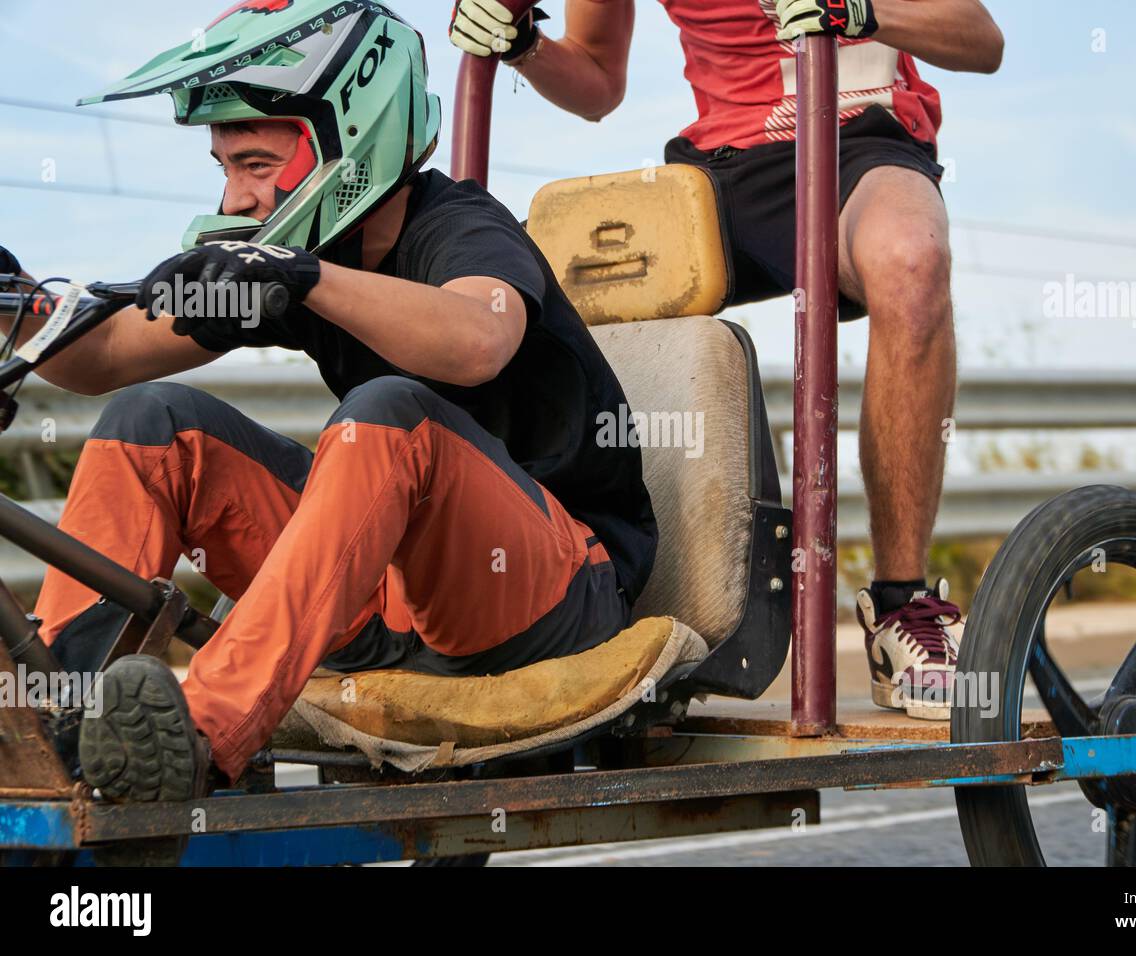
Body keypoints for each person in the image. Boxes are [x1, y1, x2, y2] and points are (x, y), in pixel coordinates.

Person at [2, 0, 656, 801]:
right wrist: (12, 297)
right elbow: (102, 358)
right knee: (152, 425)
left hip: (556, 590)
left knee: (388, 411)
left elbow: (478, 339)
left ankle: (194, 742)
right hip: (389, 596)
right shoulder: (299, 255)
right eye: (224, 168)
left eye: (252, 164)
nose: (237, 199)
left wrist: (300, 278)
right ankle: (66, 720)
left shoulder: (457, 225)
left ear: (351, 137)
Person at [451, 0, 1002, 720]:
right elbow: (595, 79)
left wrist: (858, 10)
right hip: (726, 167)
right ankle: (568, 596)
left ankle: (903, 607)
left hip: (858, 144)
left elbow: (980, 39)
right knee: (515, 287)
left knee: (912, 260)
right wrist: (524, 44)